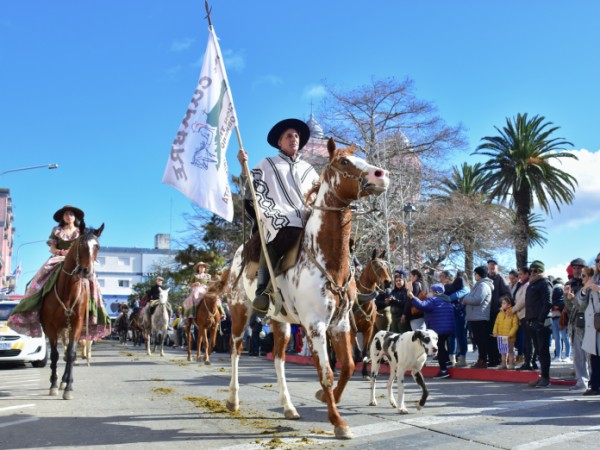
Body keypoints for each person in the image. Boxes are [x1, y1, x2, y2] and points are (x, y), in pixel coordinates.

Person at [238, 118, 319, 316]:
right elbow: (250, 191)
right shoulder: (267, 164)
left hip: (308, 216)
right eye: (289, 136)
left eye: (297, 136)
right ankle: (263, 291)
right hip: (279, 214)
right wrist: (243, 167)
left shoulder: (309, 169)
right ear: (280, 142)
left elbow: (320, 193)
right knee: (282, 231)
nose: (294, 139)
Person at [8, 205, 111, 340]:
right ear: (63, 217)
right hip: (59, 257)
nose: (69, 216)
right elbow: (52, 247)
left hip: (77, 260)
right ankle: (32, 303)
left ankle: (96, 309)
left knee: (92, 279)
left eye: (71, 214)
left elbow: (87, 246)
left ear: (75, 217)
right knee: (42, 274)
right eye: (66, 214)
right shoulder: (57, 230)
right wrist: (59, 251)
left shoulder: (81, 231)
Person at [408, 283, 455, 379]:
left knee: (440, 348)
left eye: (430, 291)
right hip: (448, 328)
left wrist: (412, 297)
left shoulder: (433, 300)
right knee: (443, 346)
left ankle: (443, 370)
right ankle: (446, 362)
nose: (428, 293)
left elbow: (422, 306)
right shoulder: (447, 300)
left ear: (435, 292)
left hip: (438, 328)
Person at [525, 260, 553, 388]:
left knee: (543, 351)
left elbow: (547, 303)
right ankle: (542, 376)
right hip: (532, 321)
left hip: (542, 322)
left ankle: (546, 378)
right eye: (531, 271)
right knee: (538, 351)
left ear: (541, 271)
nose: (532, 273)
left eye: (535, 270)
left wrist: (540, 320)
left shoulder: (544, 283)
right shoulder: (531, 284)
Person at [563, 257, 589, 391]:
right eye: (575, 268)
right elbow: (568, 306)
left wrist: (574, 300)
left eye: (580, 267)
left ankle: (593, 382)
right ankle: (581, 381)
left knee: (590, 355)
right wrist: (568, 298)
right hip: (575, 323)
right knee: (578, 355)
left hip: (589, 323)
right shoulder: (569, 283)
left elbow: (585, 305)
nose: (577, 270)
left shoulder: (589, 282)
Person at [462, 265, 494, 369]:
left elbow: (477, 300)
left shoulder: (483, 286)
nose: (474, 275)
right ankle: (481, 359)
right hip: (476, 317)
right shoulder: (479, 285)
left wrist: (465, 299)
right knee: (479, 340)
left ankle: (483, 360)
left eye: (475, 273)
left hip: (480, 317)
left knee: (482, 340)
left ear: (479, 274)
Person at [440, 270, 470, 368]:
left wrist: (440, 295)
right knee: (451, 337)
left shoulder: (465, 289)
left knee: (460, 337)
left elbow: (451, 298)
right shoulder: (455, 287)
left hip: (460, 314)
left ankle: (462, 358)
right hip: (453, 314)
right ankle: (452, 358)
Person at [580, 255, 600, 395]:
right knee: (594, 356)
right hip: (594, 324)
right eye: (597, 260)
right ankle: (595, 386)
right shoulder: (593, 278)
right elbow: (581, 303)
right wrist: (584, 289)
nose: (599, 263)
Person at [487, 258, 511, 368]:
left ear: (497, 267)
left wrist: (499, 303)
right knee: (490, 336)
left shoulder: (500, 278)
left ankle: (499, 360)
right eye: (490, 265)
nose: (492, 267)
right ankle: (491, 358)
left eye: (494, 265)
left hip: (497, 312)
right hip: (487, 313)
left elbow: (506, 294)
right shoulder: (486, 279)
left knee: (499, 336)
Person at [513, 267, 534, 370]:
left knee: (528, 340)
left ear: (527, 274)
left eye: (521, 274)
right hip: (521, 315)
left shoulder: (527, 285)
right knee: (526, 340)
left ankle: (529, 361)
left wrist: (514, 309)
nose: (519, 276)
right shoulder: (521, 285)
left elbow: (523, 300)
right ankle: (527, 361)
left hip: (526, 314)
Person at [493, 295, 519, 369]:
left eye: (504, 303)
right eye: (502, 303)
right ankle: (503, 364)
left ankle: (511, 364)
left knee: (510, 351)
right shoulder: (499, 314)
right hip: (501, 336)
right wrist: (495, 331)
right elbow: (496, 324)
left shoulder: (513, 314)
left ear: (509, 305)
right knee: (503, 351)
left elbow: (515, 326)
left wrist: (510, 335)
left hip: (509, 337)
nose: (502, 305)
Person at [387, 270, 410, 334]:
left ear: (404, 281)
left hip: (402, 317)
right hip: (393, 318)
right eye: (396, 281)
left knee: (403, 336)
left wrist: (394, 300)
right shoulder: (393, 291)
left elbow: (405, 303)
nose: (398, 282)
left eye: (400, 280)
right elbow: (390, 302)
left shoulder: (406, 291)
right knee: (394, 337)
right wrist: (388, 301)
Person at [550, 278, 567, 361]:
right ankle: (566, 355)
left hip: (556, 316)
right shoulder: (563, 290)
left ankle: (558, 356)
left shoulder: (555, 290)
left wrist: (555, 306)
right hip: (562, 316)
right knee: (564, 337)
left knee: (559, 338)